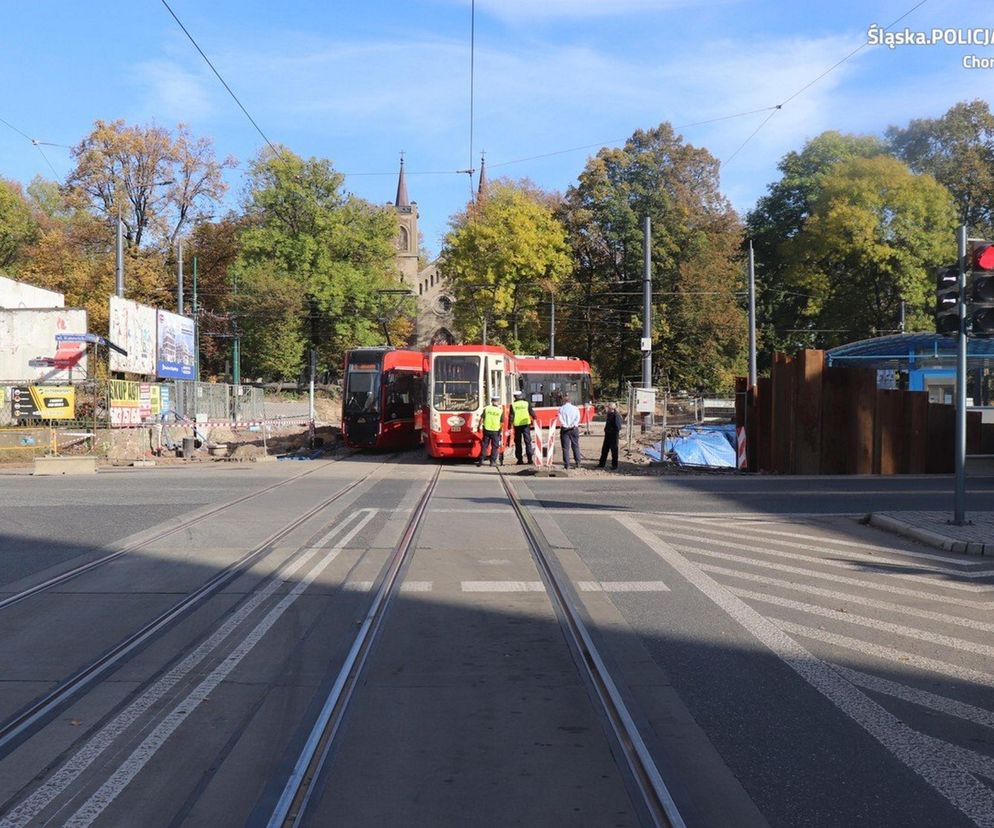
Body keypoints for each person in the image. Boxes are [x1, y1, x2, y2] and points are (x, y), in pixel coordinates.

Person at [477, 393, 504, 467]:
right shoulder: (500, 411)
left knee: (485, 445)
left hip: (487, 430)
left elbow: (482, 418)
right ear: (498, 402)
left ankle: (481, 460)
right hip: (495, 431)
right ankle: (492, 462)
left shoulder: (487, 409)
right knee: (495, 447)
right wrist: (500, 430)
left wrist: (479, 427)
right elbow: (502, 422)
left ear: (492, 401)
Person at [510, 389, 536, 465]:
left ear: (515, 397)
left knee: (518, 443)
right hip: (526, 425)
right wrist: (535, 418)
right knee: (528, 442)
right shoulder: (526, 403)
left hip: (517, 425)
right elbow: (531, 412)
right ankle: (530, 459)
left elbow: (511, 416)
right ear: (521, 396)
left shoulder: (513, 405)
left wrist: (510, 425)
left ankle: (520, 460)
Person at [557, 394, 581, 469]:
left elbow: (560, 419)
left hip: (565, 430)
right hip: (574, 429)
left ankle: (567, 464)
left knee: (565, 448)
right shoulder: (575, 408)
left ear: (563, 401)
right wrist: (573, 424)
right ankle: (578, 463)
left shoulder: (561, 409)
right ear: (570, 401)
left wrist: (565, 425)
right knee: (575, 446)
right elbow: (578, 418)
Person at [597, 402, 623, 470]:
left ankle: (614, 465)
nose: (607, 409)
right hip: (607, 434)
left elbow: (618, 426)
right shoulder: (609, 414)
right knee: (604, 450)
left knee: (614, 450)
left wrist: (613, 430)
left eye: (608, 407)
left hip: (613, 435)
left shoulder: (616, 415)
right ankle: (601, 463)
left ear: (611, 408)